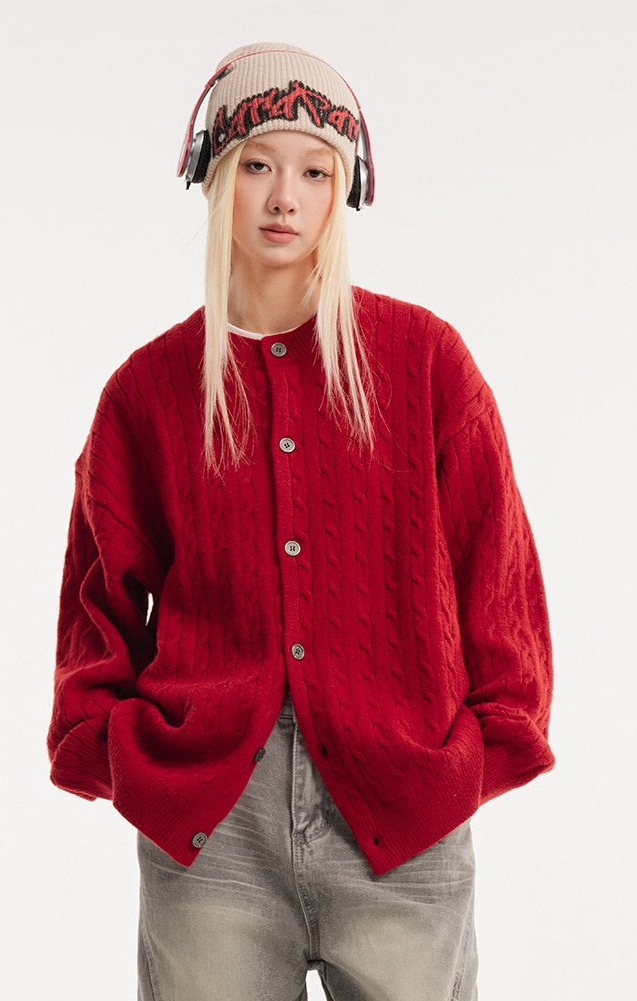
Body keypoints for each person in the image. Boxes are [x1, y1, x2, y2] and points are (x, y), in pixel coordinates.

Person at [47, 41, 555, 1001]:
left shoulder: (424, 363)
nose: (285, 197)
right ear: (214, 178)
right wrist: (119, 750)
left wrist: (471, 757)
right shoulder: (148, 393)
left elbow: (497, 569)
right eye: (258, 165)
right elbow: (97, 600)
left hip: (403, 814)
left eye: (315, 171)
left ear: (343, 189)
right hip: (212, 834)